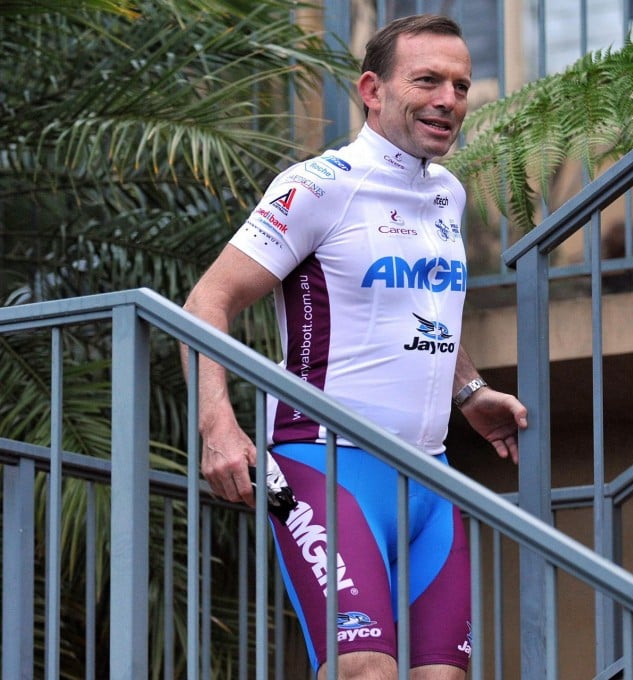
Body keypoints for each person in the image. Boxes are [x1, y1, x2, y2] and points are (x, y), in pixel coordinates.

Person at [180, 14, 528, 680]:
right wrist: (216, 423)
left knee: (443, 678)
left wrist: (470, 391)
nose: (448, 100)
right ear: (372, 89)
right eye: (427, 80)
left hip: (429, 475)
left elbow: (421, 312)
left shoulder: (447, 194)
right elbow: (208, 301)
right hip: (316, 465)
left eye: (460, 84)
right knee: (363, 667)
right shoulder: (318, 186)